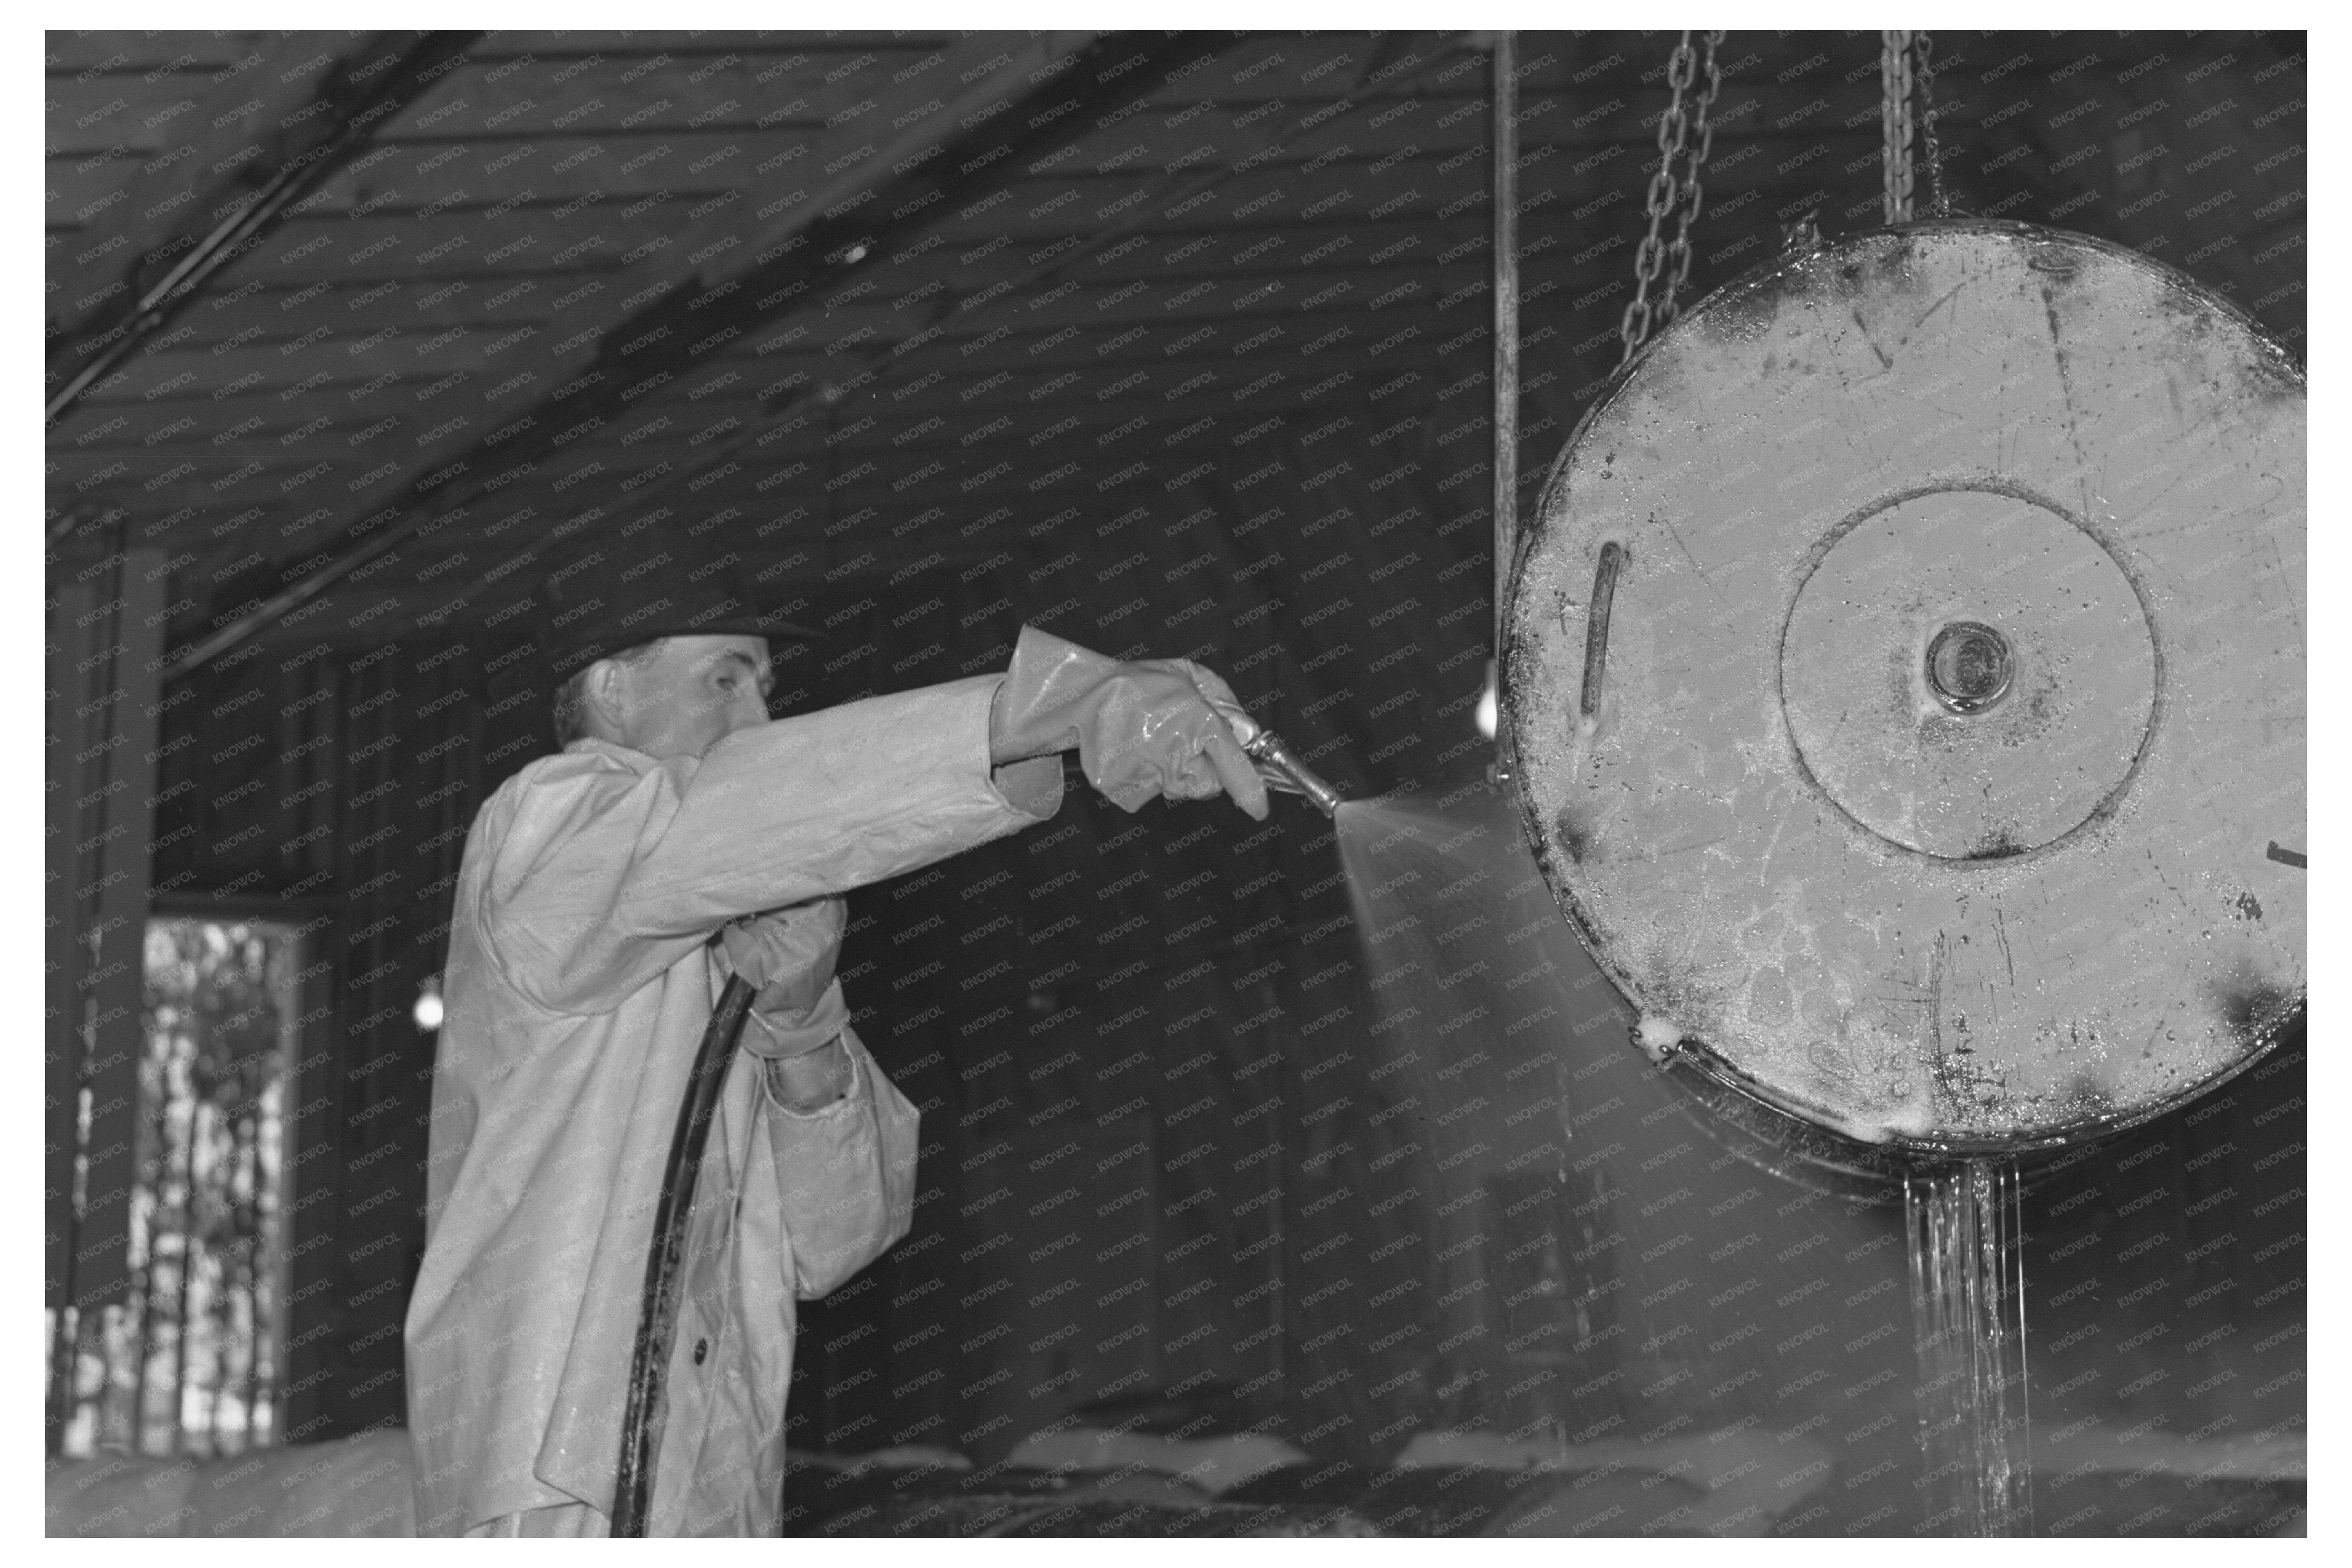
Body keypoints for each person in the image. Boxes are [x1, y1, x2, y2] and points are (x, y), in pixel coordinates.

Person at [403, 552, 1272, 1536]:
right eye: (724, 677)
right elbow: (739, 815)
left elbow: (837, 1241)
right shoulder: (545, 822)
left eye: (765, 689)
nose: (758, 721)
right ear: (610, 687)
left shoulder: (715, 899)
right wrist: (1048, 712)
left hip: (712, 1480)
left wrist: (805, 1021)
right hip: (555, 1487)